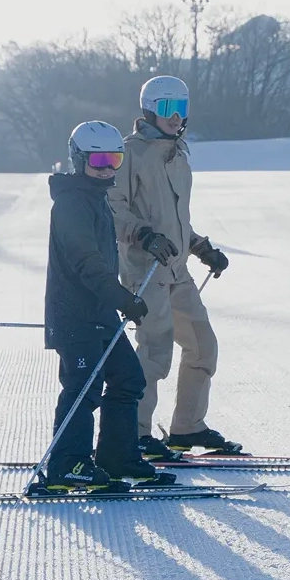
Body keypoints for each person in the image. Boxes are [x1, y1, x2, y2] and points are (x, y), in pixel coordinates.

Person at [36, 121, 176, 495]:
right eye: (98, 160)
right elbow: (85, 261)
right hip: (75, 313)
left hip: (99, 312)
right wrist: (121, 298)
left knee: (129, 379)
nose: (107, 168)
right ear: (79, 159)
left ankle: (117, 457)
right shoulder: (71, 202)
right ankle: (67, 465)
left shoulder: (95, 197)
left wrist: (146, 241)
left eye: (115, 159)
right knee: (83, 388)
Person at [108, 75, 239, 459]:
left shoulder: (177, 151)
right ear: (149, 108)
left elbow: (176, 217)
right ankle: (135, 434)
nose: (175, 117)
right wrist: (144, 236)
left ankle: (187, 427)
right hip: (143, 268)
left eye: (181, 109)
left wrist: (200, 248)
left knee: (202, 346)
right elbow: (113, 208)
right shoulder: (129, 151)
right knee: (154, 352)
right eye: (167, 109)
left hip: (176, 268)